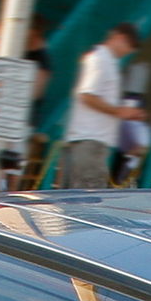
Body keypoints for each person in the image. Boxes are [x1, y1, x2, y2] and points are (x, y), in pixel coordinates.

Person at [59, 20, 136, 188]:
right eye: (129, 45)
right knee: (90, 197)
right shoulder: (100, 60)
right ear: (119, 37)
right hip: (89, 140)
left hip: (91, 141)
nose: (128, 51)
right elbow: (87, 95)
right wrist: (117, 111)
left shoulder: (105, 61)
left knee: (79, 195)